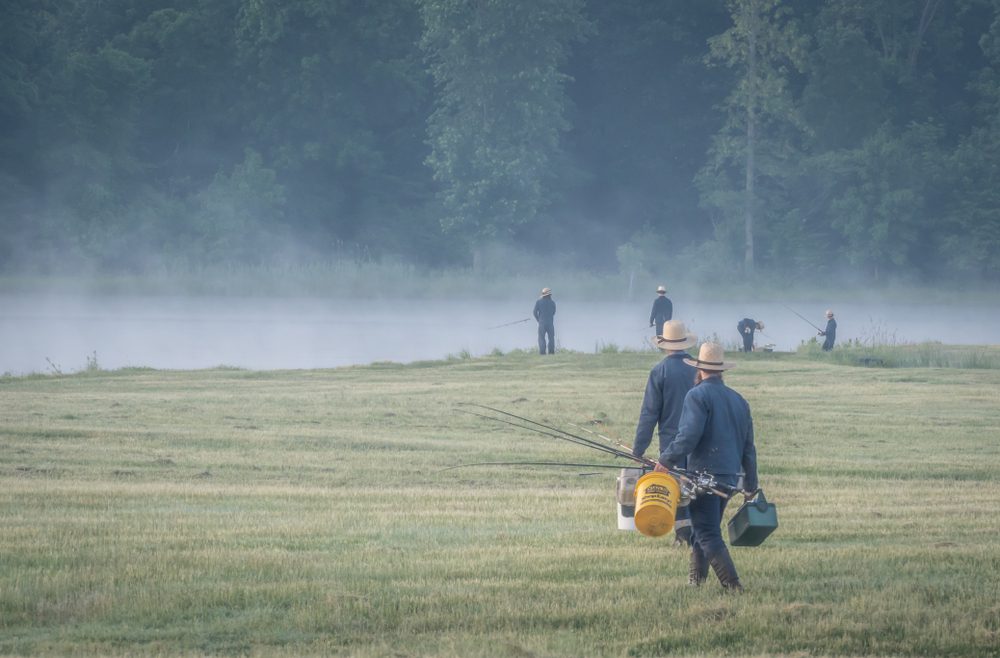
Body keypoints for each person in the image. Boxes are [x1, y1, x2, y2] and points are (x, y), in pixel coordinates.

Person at [654, 342, 758, 592]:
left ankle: (733, 585)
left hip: (704, 477)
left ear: (699, 370)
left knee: (707, 531)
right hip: (731, 478)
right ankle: (696, 580)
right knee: (705, 527)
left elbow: (687, 437)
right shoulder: (739, 400)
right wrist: (751, 484)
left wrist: (665, 461)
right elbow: (748, 447)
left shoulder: (697, 395)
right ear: (721, 370)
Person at [633, 320, 698, 545]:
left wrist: (639, 448)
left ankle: (682, 536)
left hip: (671, 442)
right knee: (698, 486)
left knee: (678, 488)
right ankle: (699, 534)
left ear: (665, 344)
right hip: (699, 440)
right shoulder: (699, 369)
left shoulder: (659, 371)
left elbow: (649, 413)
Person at [533, 288, 556, 354]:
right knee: (551, 338)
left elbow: (534, 312)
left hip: (542, 323)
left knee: (541, 338)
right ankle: (551, 353)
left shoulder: (538, 302)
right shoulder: (552, 302)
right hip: (550, 323)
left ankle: (542, 353)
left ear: (543, 295)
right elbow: (554, 312)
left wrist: (538, 320)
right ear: (549, 295)